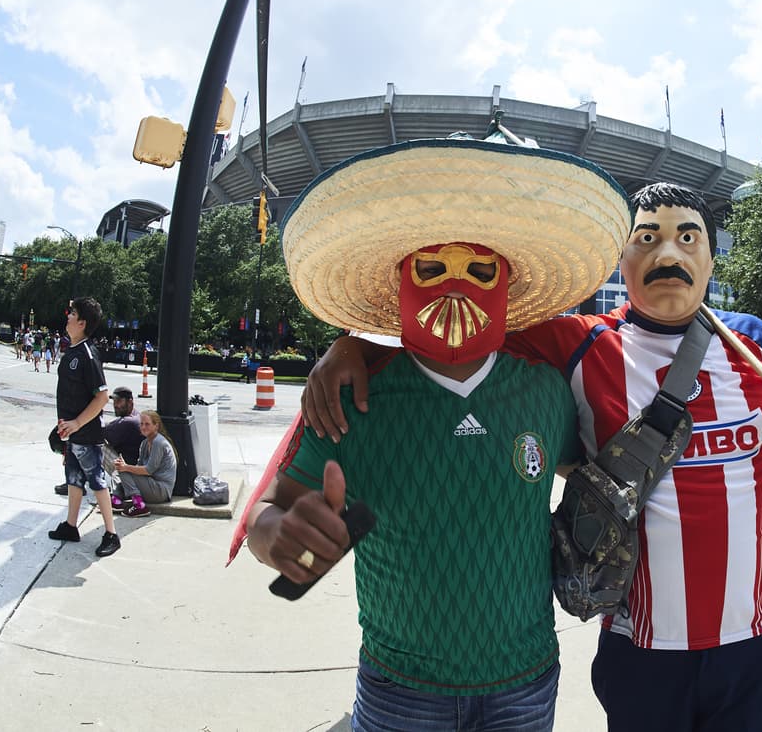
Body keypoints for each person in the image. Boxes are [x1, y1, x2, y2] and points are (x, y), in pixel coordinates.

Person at [306, 181, 762, 732]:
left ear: (709, 257)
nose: (669, 254)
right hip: (644, 646)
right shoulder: (580, 344)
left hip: (761, 637)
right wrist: (353, 346)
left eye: (688, 238)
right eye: (647, 238)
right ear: (621, 261)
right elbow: (457, 334)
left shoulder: (759, 346)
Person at [244, 134, 632, 731]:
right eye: (433, 268)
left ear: (507, 285)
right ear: (401, 279)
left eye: (480, 271)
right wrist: (280, 537)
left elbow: (596, 470)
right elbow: (271, 512)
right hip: (400, 690)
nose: (456, 287)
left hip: (524, 684)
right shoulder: (352, 400)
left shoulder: (545, 392)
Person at [48, 297, 121, 558]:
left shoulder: (88, 355)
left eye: (73, 313)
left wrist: (77, 423)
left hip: (87, 434)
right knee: (74, 480)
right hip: (73, 433)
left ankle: (111, 534)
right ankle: (70, 525)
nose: (67, 316)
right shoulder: (73, 351)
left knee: (97, 482)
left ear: (82, 323)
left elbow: (102, 396)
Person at [113, 409, 178, 517]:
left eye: (147, 424)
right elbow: (139, 468)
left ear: (156, 426)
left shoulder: (159, 442)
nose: (143, 427)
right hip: (150, 484)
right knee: (120, 471)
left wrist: (126, 467)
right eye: (141, 424)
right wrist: (124, 466)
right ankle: (116, 501)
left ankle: (139, 506)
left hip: (161, 491)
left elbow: (148, 470)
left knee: (124, 471)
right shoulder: (144, 443)